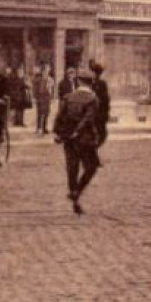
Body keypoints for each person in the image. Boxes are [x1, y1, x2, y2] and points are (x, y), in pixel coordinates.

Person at [54, 71, 104, 215]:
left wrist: (58, 133)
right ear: (91, 83)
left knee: (72, 167)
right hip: (85, 138)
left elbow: (59, 117)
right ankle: (77, 192)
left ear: (79, 82)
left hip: (68, 138)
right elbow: (89, 118)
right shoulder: (93, 99)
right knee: (92, 166)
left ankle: (75, 197)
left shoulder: (68, 97)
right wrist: (79, 131)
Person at [88, 59, 111, 149]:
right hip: (98, 112)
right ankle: (93, 152)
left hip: (95, 112)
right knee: (101, 134)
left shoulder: (93, 83)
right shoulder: (101, 83)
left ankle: (92, 151)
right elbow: (106, 99)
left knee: (97, 133)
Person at [30, 64, 55, 136]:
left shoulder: (50, 79)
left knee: (47, 113)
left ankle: (44, 128)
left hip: (47, 97)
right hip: (40, 97)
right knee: (40, 113)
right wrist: (34, 97)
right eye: (45, 70)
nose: (47, 71)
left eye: (48, 70)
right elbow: (34, 89)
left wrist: (52, 97)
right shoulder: (38, 79)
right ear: (43, 71)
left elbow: (52, 89)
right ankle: (38, 128)